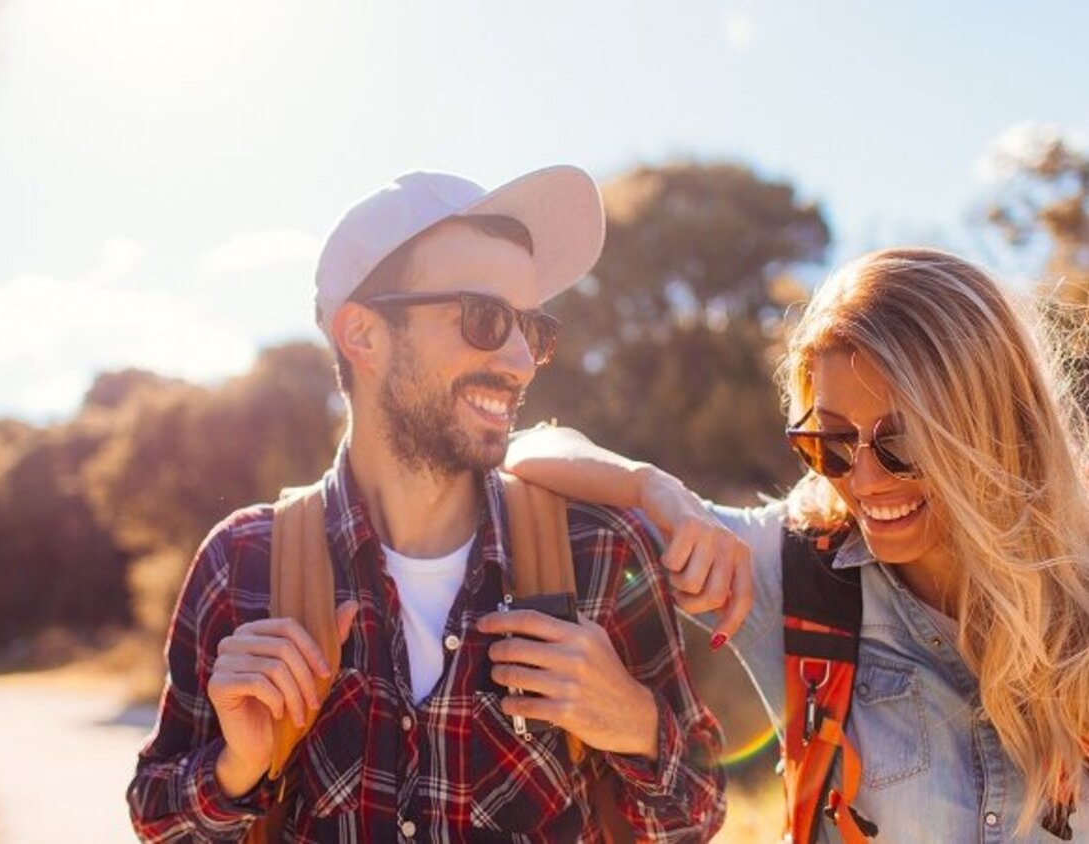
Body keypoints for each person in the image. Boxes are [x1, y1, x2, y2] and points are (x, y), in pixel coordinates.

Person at [126, 166, 726, 842]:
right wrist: (238, 767)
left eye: (533, 327)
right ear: (363, 336)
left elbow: (697, 818)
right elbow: (156, 819)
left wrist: (635, 723)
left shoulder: (601, 552)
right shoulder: (243, 563)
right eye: (486, 318)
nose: (523, 360)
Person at [505, 248, 1089, 842]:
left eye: (903, 445)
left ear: (991, 425)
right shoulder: (795, 571)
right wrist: (655, 487)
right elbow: (524, 450)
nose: (862, 481)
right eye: (829, 441)